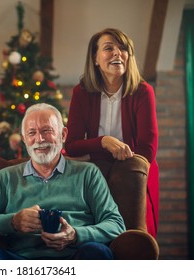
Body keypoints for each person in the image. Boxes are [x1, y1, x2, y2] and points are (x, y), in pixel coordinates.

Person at [0, 103, 125, 260]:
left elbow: (116, 224)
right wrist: (13, 222)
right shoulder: (4, 177)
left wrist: (75, 235)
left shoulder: (88, 173)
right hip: (20, 262)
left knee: (97, 252)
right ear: (24, 140)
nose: (39, 139)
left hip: (76, 257)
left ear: (63, 135)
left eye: (46, 131)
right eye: (31, 133)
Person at [64, 28, 159, 238]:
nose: (118, 53)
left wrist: (90, 154)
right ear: (95, 59)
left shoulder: (143, 92)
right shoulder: (81, 93)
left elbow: (147, 151)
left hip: (132, 173)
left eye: (123, 48)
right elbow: (71, 145)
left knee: (134, 240)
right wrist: (104, 142)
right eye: (109, 48)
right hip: (95, 172)